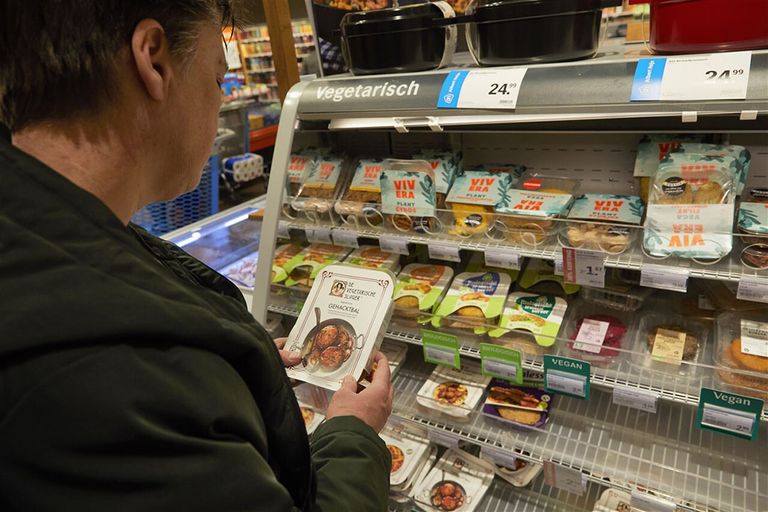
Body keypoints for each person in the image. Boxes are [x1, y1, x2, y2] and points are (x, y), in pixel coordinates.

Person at [0, 2, 393, 511]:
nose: (219, 98)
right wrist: (353, 432)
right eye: (216, 78)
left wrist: (232, 377)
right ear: (154, 61)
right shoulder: (107, 375)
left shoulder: (51, 237)